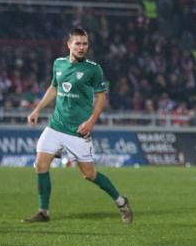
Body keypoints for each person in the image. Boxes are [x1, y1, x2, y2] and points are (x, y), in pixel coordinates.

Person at [23, 27, 132, 223]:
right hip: (56, 126)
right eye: (78, 43)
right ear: (69, 45)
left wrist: (91, 122)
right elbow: (54, 87)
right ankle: (44, 212)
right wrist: (37, 110)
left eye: (85, 44)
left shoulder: (93, 69)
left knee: (89, 175)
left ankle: (121, 201)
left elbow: (101, 98)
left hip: (78, 130)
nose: (82, 47)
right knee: (40, 165)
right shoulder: (58, 64)